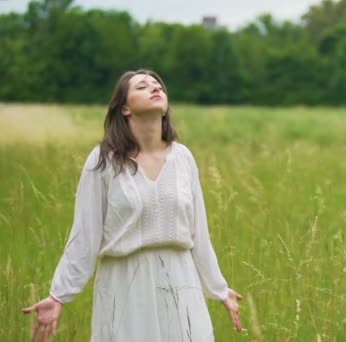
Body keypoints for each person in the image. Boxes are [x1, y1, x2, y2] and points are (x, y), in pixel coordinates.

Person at [22, 69, 242, 341]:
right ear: (124, 108)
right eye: (142, 86)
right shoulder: (103, 161)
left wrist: (219, 289)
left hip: (181, 281)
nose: (155, 88)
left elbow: (200, 234)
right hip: (125, 284)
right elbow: (85, 234)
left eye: (157, 84)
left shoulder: (183, 158)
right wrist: (59, 295)